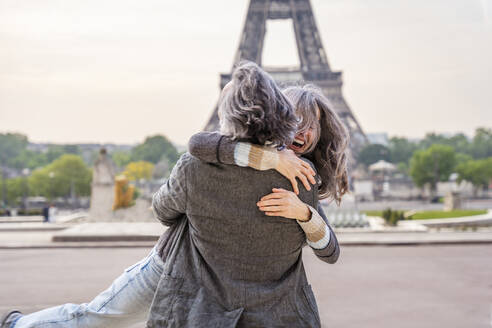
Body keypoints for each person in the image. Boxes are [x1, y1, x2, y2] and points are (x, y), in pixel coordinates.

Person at [0, 63, 346, 328]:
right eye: (297, 121)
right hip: (194, 274)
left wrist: (304, 214)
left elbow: (167, 204)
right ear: (280, 116)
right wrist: (276, 169)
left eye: (310, 125)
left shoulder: (212, 166)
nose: (302, 131)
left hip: (180, 272)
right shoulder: (300, 180)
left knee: (95, 317)